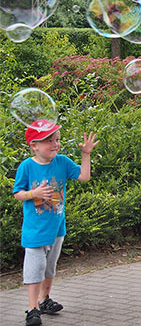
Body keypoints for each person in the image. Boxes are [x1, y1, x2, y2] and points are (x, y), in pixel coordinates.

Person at [13, 119, 99, 325]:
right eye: (48, 141)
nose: (55, 144)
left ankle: (44, 300)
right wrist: (34, 193)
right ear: (34, 145)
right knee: (35, 269)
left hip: (57, 228)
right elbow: (18, 193)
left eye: (57, 140)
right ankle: (32, 308)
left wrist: (86, 155)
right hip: (35, 230)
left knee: (49, 268)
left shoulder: (62, 162)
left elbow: (84, 176)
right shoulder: (26, 166)